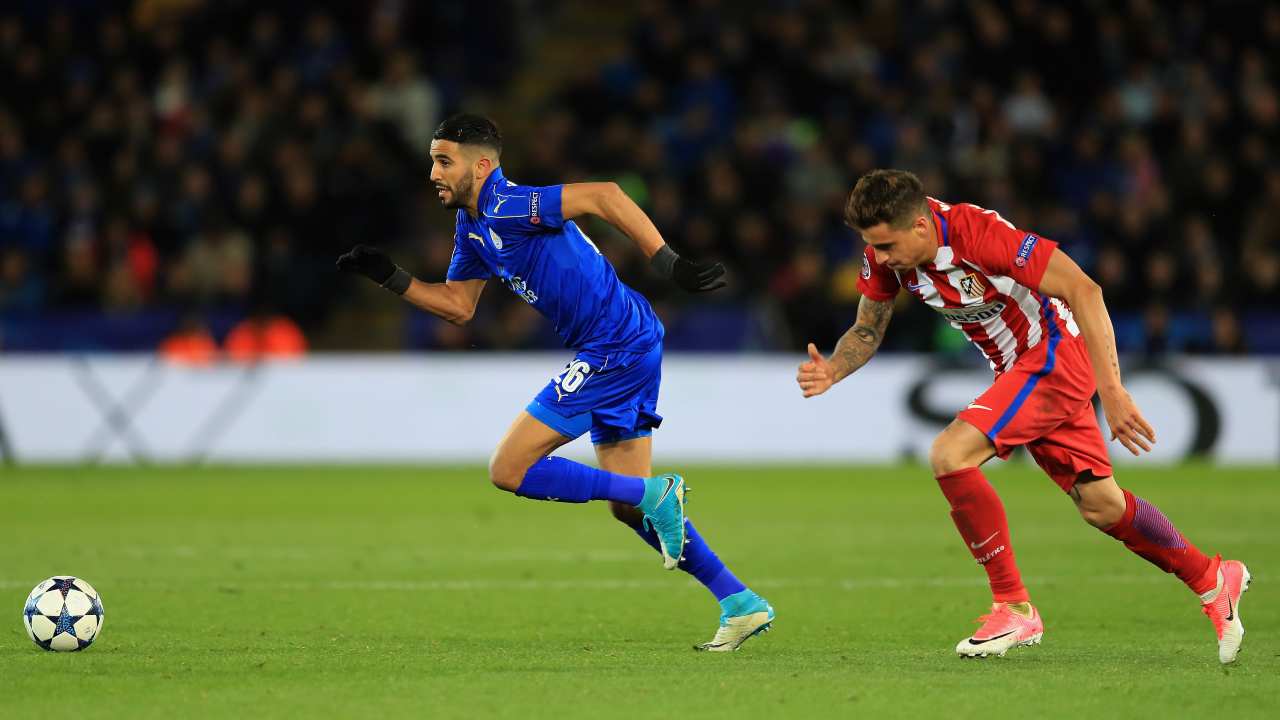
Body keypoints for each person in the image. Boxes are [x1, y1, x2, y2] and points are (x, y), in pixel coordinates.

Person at [338, 114, 773, 651]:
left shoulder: (510, 204)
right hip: (628, 342)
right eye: (432, 160)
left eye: (444, 160)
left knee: (508, 468)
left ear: (483, 165)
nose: (433, 172)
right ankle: (739, 601)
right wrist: (391, 277)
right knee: (627, 507)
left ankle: (657, 493)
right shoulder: (473, 230)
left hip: (616, 345)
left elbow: (606, 196)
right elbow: (457, 308)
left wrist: (667, 262)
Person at [796, 169, 1249, 663]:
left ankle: (1012, 606)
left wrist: (1113, 390)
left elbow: (1086, 290)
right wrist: (834, 369)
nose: (877, 257)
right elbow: (866, 329)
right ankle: (1211, 576)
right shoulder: (888, 256)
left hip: (1052, 355)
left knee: (950, 454)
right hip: (1018, 369)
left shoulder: (979, 236)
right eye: (871, 246)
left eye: (884, 245)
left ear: (921, 227)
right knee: (1101, 505)